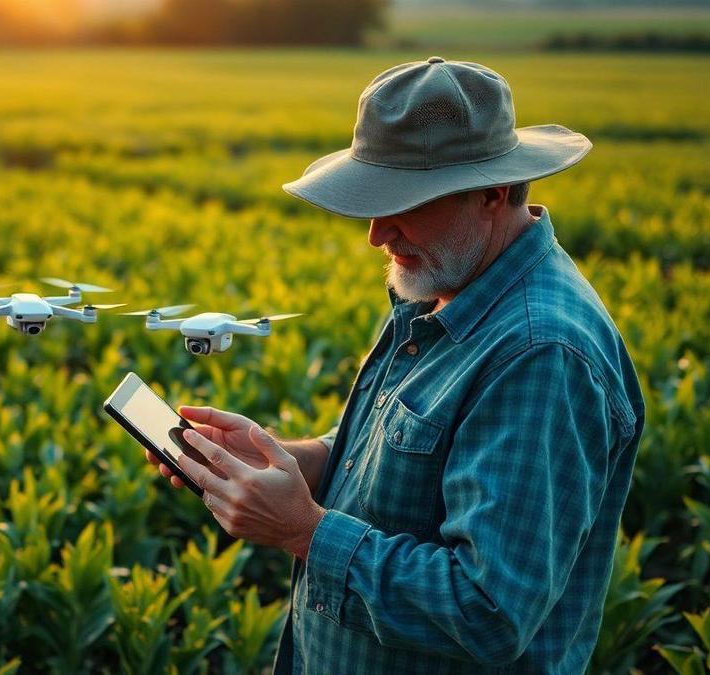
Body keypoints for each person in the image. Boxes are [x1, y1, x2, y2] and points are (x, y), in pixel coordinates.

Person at [146, 57, 645, 673]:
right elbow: (407, 460)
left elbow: (488, 612)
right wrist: (287, 458)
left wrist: (304, 530)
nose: (377, 234)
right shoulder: (447, 284)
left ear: (491, 192)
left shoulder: (540, 355)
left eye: (403, 202)